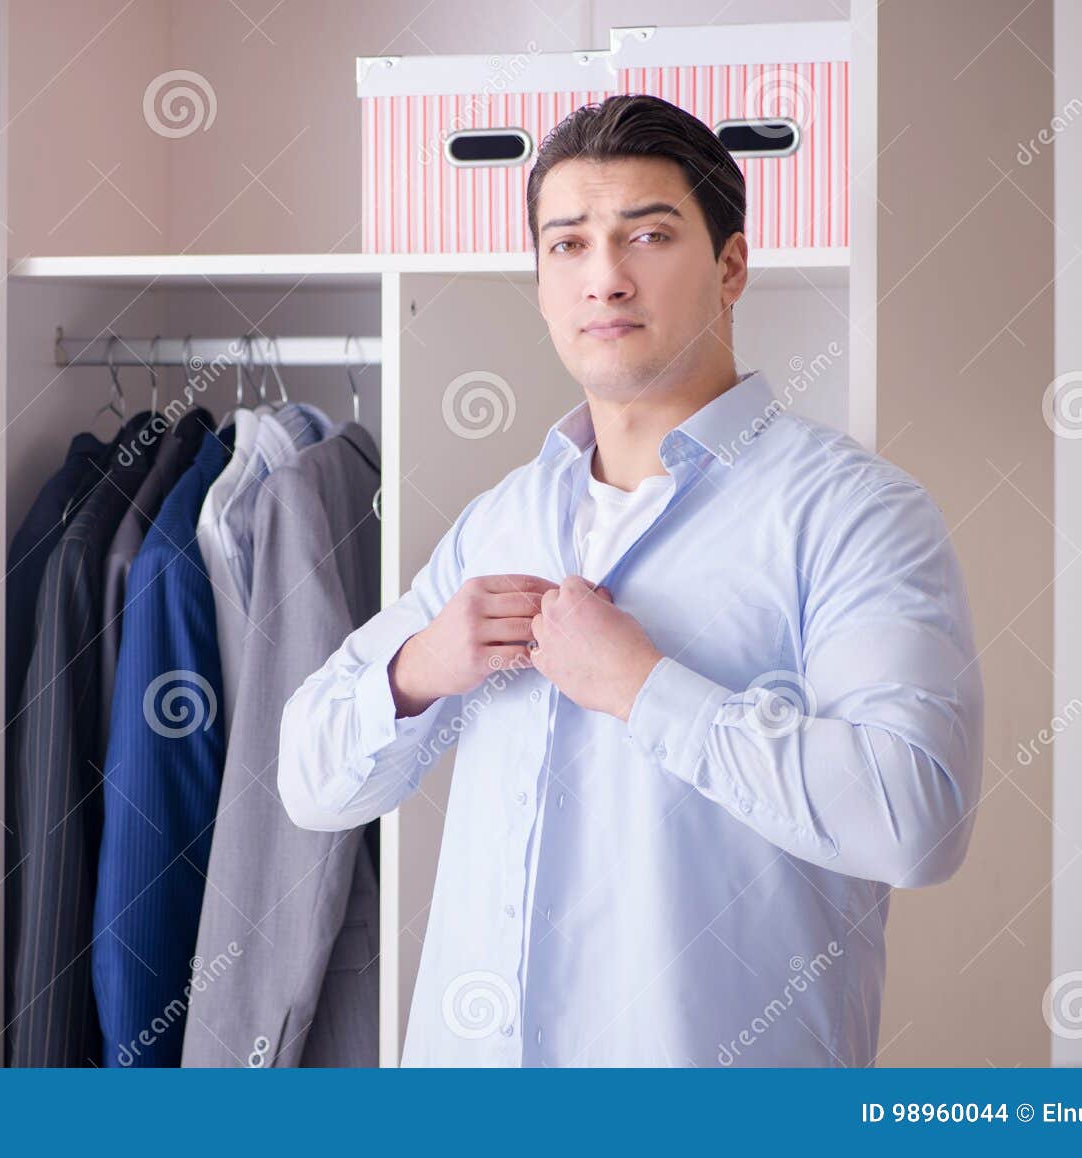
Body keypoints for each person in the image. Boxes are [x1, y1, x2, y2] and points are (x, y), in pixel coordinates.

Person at [277, 94, 984, 1066]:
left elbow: (915, 822)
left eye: (648, 236)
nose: (604, 277)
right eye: (568, 245)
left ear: (731, 267)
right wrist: (418, 669)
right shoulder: (499, 522)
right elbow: (309, 782)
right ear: (540, 284)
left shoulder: (853, 513)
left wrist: (644, 689)